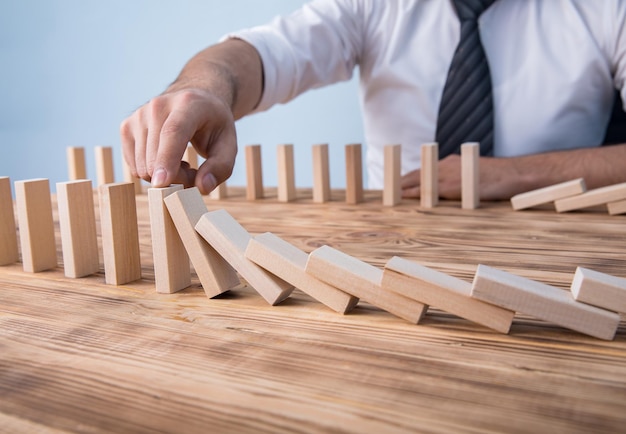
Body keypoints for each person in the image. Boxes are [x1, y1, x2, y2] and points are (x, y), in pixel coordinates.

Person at [120, 0, 626, 200]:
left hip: (559, 247)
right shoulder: (374, 5)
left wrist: (511, 174)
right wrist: (205, 88)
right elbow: (263, 54)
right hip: (396, 248)